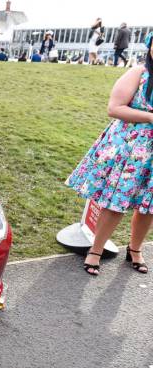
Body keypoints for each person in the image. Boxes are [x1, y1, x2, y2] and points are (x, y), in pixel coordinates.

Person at [66, 32, 153, 276]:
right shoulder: (139, 72)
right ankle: (96, 250)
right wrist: (150, 117)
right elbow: (114, 108)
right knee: (116, 201)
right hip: (132, 147)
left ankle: (135, 249)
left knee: (149, 206)